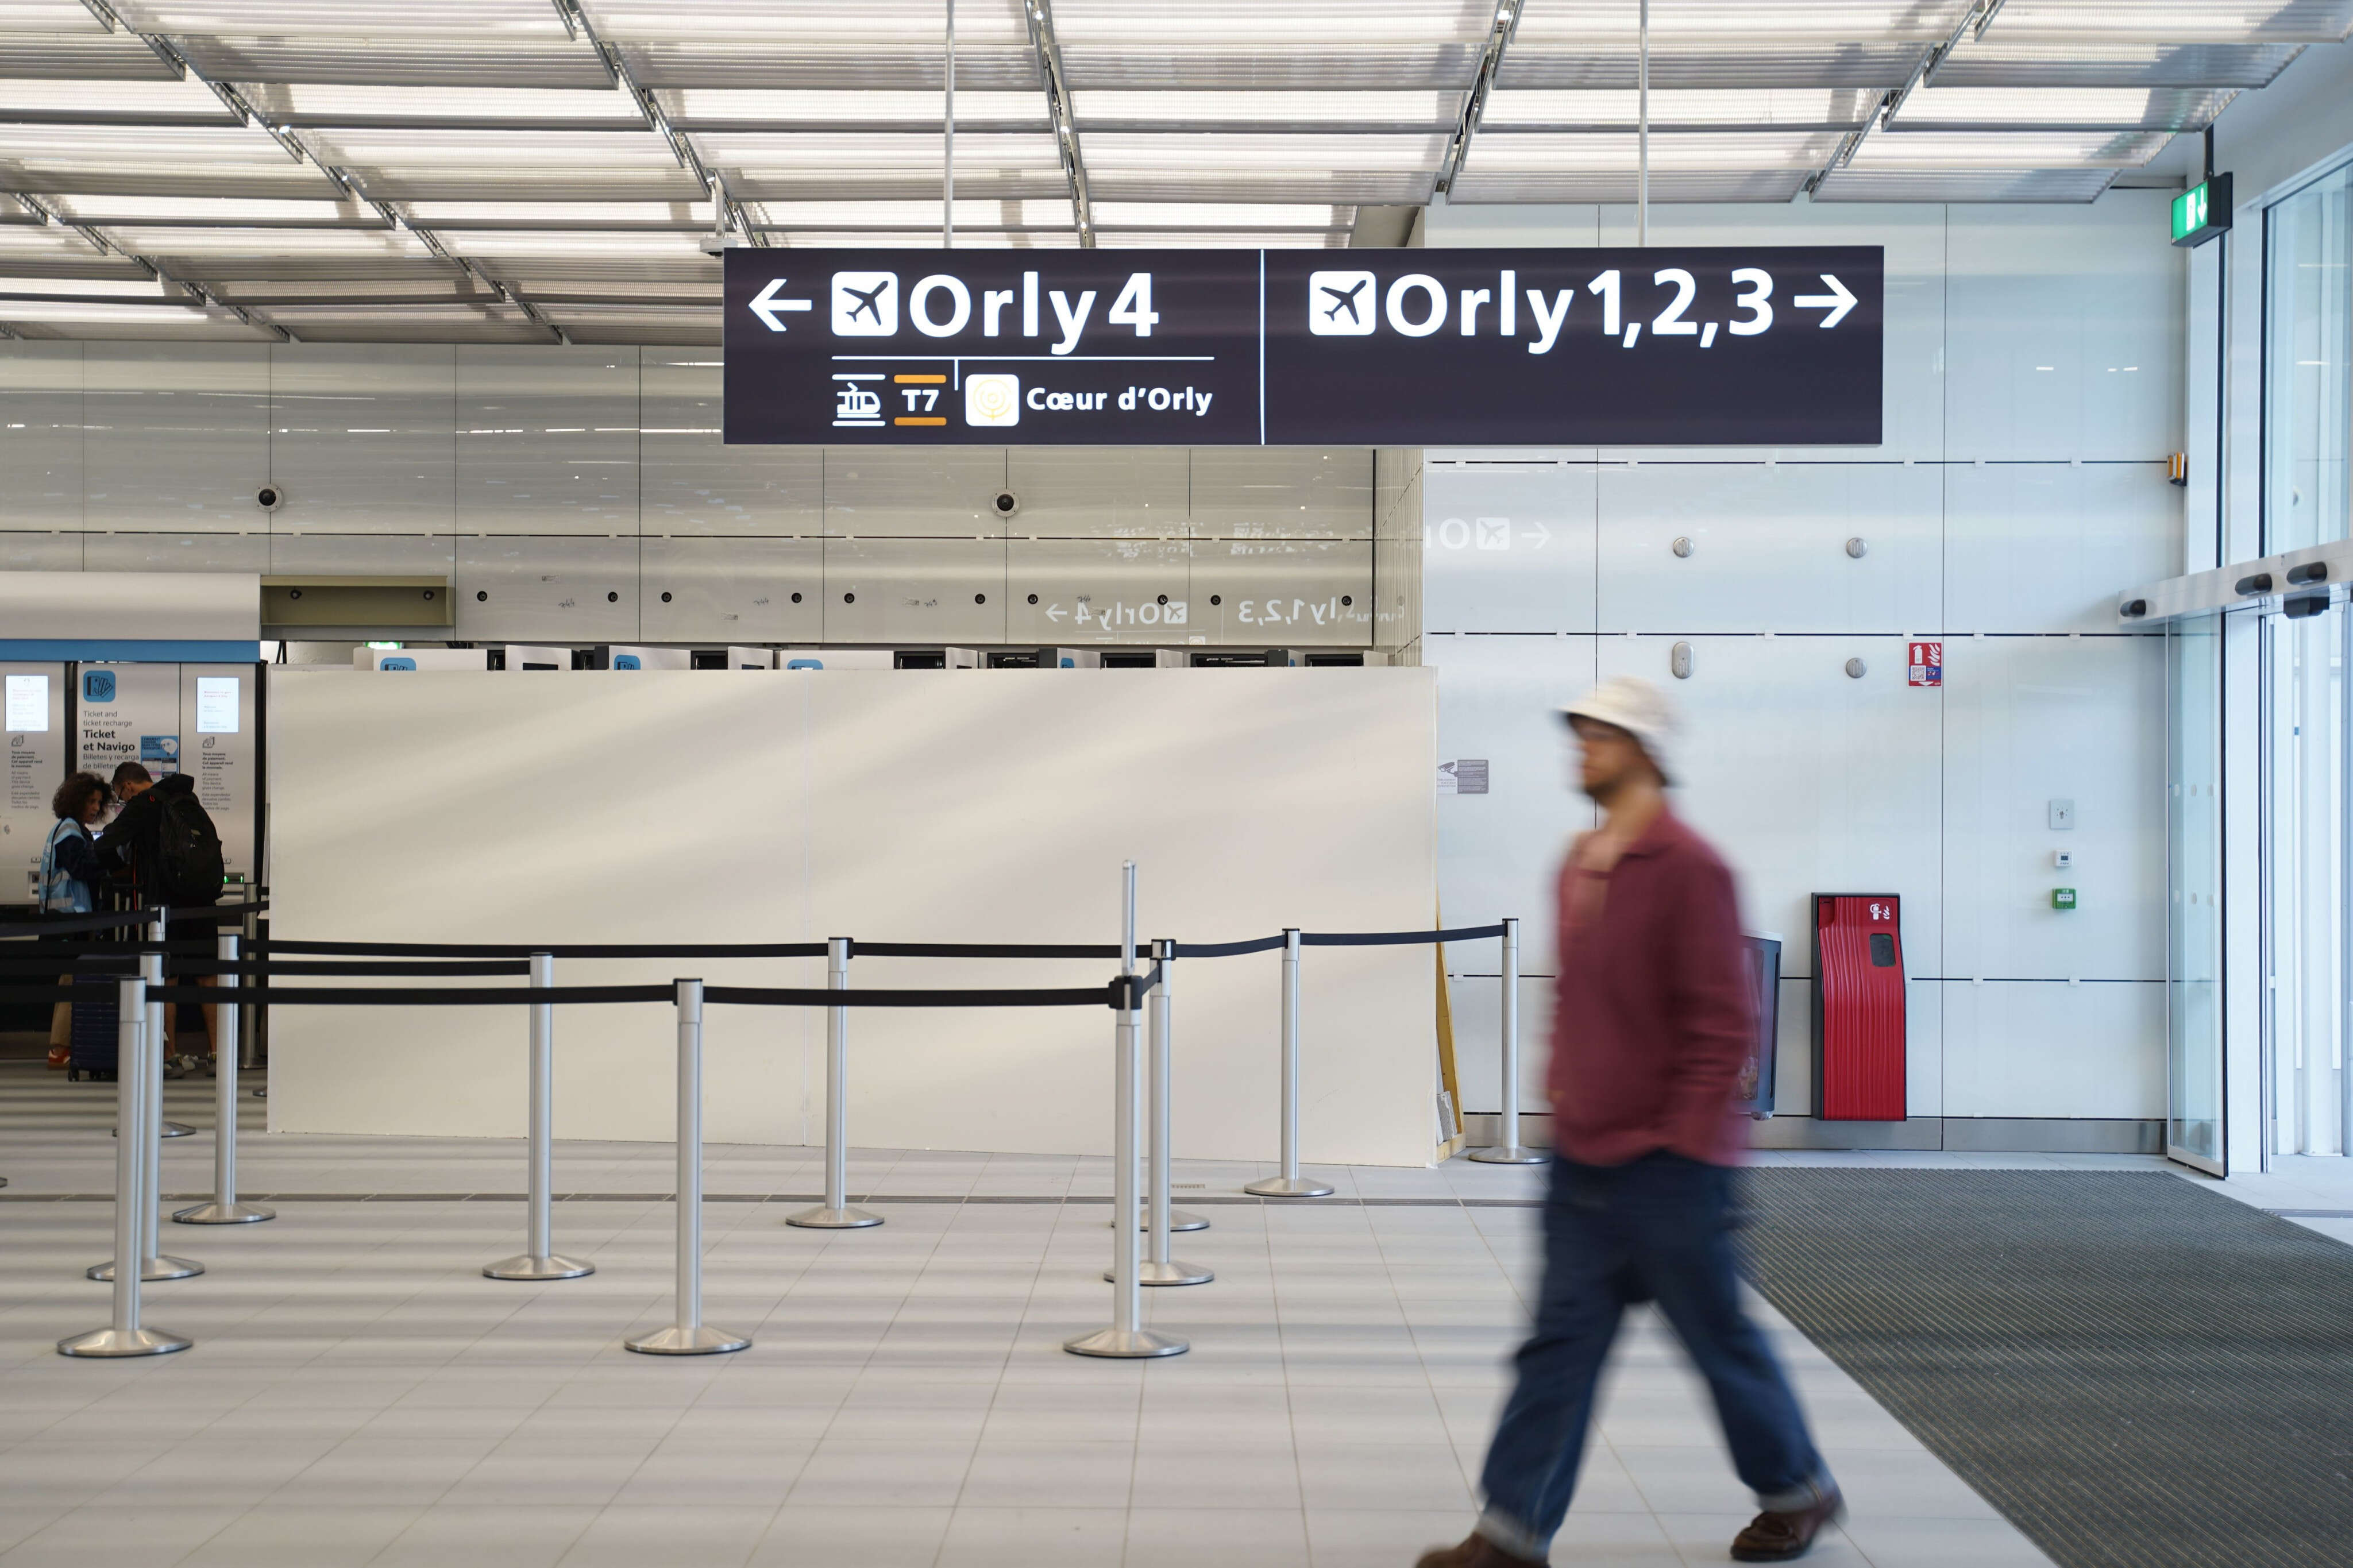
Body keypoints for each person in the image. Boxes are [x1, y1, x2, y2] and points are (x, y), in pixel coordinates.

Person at [1420, 678, 1840, 1568]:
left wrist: (1682, 1145)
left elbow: (1726, 1022)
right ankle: (1511, 1532)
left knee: (1718, 1342)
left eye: (1601, 737)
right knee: (1558, 1346)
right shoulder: (1579, 859)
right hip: (1584, 1161)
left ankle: (1799, 1490)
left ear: (1646, 751)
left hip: (1673, 1168)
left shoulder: (1692, 867)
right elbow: (1581, 999)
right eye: (1578, 735)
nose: (1583, 750)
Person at [97, 761, 224, 1068]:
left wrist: (119, 870)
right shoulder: (187, 800)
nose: (122, 802)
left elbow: (105, 844)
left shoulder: (144, 805)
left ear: (127, 785)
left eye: (119, 796)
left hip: (165, 904)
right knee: (208, 976)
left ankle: (169, 1055)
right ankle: (219, 1053)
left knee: (167, 978)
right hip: (203, 900)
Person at [40, 772, 113, 1068]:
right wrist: (110, 862)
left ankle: (64, 1047)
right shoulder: (70, 831)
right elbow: (81, 868)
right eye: (91, 801)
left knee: (72, 981)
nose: (95, 808)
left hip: (70, 918)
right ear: (76, 801)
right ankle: (59, 1050)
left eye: (98, 802)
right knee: (72, 982)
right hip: (70, 919)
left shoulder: (68, 829)